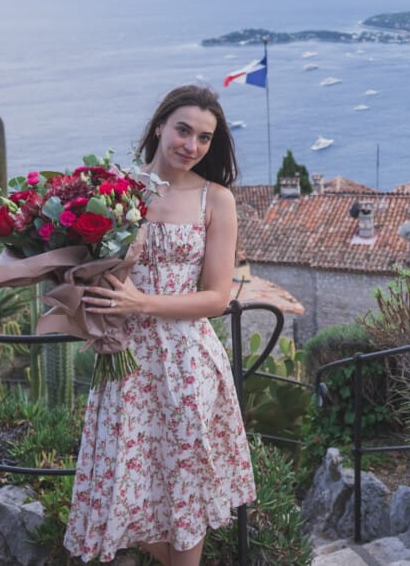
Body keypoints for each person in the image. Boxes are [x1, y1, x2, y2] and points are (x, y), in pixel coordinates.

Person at [64, 84, 256, 566]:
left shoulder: (217, 199)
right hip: (125, 360)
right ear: (159, 127)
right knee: (127, 487)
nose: (192, 146)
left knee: (186, 488)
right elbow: (86, 265)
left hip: (187, 362)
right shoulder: (118, 189)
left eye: (205, 138)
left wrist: (140, 302)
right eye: (184, 130)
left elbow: (216, 297)